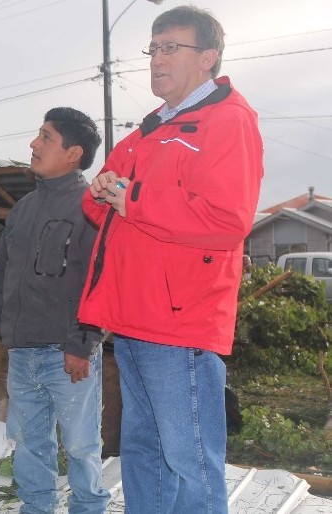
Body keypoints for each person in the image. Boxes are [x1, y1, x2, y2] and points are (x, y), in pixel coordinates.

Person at [79, 6, 263, 513]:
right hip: (134, 318)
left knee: (190, 460)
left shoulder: (227, 120)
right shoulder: (150, 130)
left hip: (179, 320)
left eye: (170, 48)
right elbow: (102, 207)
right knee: (142, 450)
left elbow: (227, 220)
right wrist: (101, 193)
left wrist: (131, 198)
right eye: (153, 49)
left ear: (207, 58)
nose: (157, 60)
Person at [0, 107, 109, 514]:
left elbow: (99, 279)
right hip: (22, 352)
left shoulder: (92, 208)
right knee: (30, 443)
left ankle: (88, 509)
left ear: (73, 153)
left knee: (82, 445)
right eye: (38, 135)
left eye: (46, 137)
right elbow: (3, 270)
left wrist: (83, 342)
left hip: (66, 353)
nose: (34, 144)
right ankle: (37, 508)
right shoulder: (23, 208)